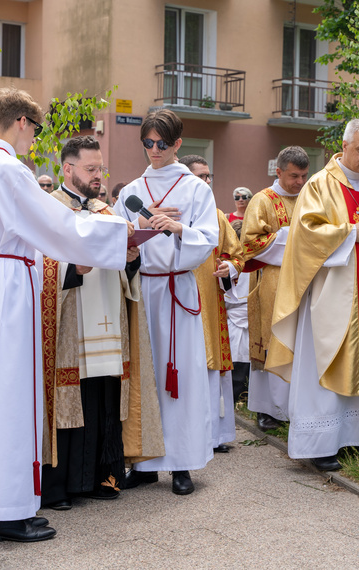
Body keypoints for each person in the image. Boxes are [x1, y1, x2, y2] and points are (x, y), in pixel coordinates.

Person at [0, 88, 134, 543]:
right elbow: (57, 224)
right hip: (10, 282)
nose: (34, 140)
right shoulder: (9, 168)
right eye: (36, 129)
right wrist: (116, 235)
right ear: (23, 121)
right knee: (10, 394)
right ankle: (7, 513)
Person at [265, 118, 359, 472]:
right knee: (325, 360)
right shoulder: (320, 185)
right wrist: (349, 233)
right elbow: (305, 234)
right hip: (333, 294)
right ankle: (321, 443)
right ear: (343, 147)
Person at [39, 136, 158, 511]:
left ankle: (101, 478)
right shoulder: (47, 210)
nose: (98, 176)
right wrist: (71, 270)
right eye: (91, 169)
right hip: (69, 325)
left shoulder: (108, 213)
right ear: (67, 169)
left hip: (107, 323)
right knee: (70, 399)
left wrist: (132, 258)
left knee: (104, 399)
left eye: (100, 169)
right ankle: (59, 486)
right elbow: (39, 266)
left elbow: (126, 274)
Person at [113, 109, 219, 495]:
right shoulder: (131, 192)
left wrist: (179, 229)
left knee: (181, 378)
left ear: (177, 144)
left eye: (161, 143)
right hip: (143, 290)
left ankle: (181, 463)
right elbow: (115, 234)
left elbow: (208, 239)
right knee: (146, 375)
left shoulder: (195, 189)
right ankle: (143, 461)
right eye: (147, 143)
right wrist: (138, 227)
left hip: (176, 290)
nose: (153, 150)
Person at [240, 146, 309, 431]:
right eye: (294, 176)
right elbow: (250, 241)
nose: (300, 182)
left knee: (299, 343)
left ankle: (296, 407)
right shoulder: (262, 200)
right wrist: (288, 238)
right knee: (272, 340)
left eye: (304, 176)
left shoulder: (310, 199)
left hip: (304, 282)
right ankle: (267, 410)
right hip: (272, 282)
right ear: (278, 171)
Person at [180, 154, 245, 454]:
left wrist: (228, 269)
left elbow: (237, 254)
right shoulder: (174, 214)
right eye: (200, 177)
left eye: (208, 177)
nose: (206, 182)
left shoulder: (218, 216)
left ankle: (214, 435)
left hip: (209, 300)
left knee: (209, 371)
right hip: (179, 303)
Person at [225, 219, 251, 404]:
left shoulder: (254, 262)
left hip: (240, 315)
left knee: (243, 355)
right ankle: (238, 396)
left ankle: (240, 397)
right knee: (239, 355)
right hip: (235, 316)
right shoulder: (228, 264)